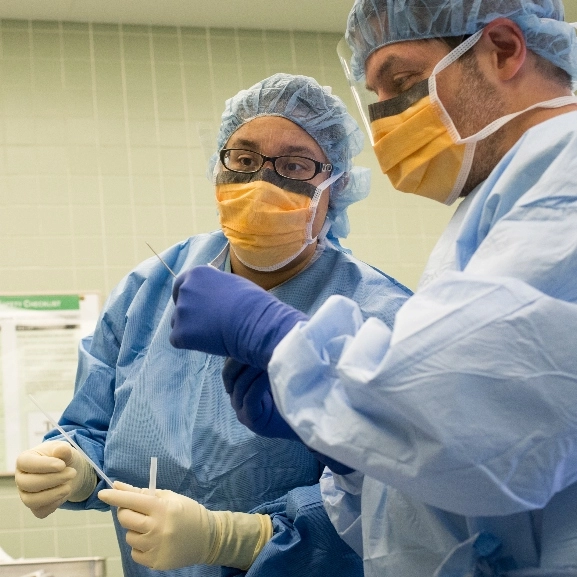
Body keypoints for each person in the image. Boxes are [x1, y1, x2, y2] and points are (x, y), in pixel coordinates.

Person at [166, 1, 577, 576]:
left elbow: (478, 424)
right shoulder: (499, 204)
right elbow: (437, 492)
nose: (387, 116)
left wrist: (288, 344)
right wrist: (353, 453)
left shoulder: (564, 180)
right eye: (375, 94)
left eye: (403, 80)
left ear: (504, 49)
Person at [15, 73, 412, 577]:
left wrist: (235, 540)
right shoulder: (152, 289)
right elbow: (95, 428)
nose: (262, 182)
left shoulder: (381, 314)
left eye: (294, 164)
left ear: (337, 185)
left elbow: (397, 499)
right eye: (243, 160)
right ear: (218, 168)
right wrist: (72, 467)